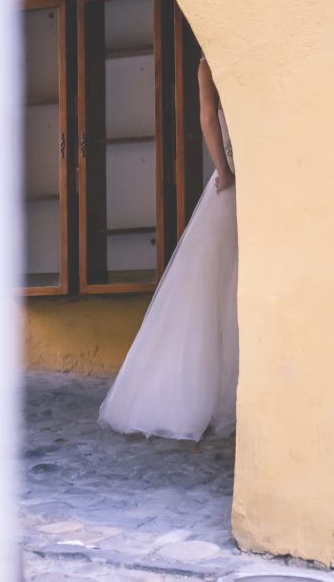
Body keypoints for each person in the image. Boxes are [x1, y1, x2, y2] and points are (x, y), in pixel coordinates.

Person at [97, 56, 238, 440]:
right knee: (222, 289)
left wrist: (223, 171)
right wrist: (225, 171)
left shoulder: (208, 64)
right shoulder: (228, 57)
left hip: (233, 178)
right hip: (238, 179)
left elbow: (208, 117)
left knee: (216, 290)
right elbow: (208, 119)